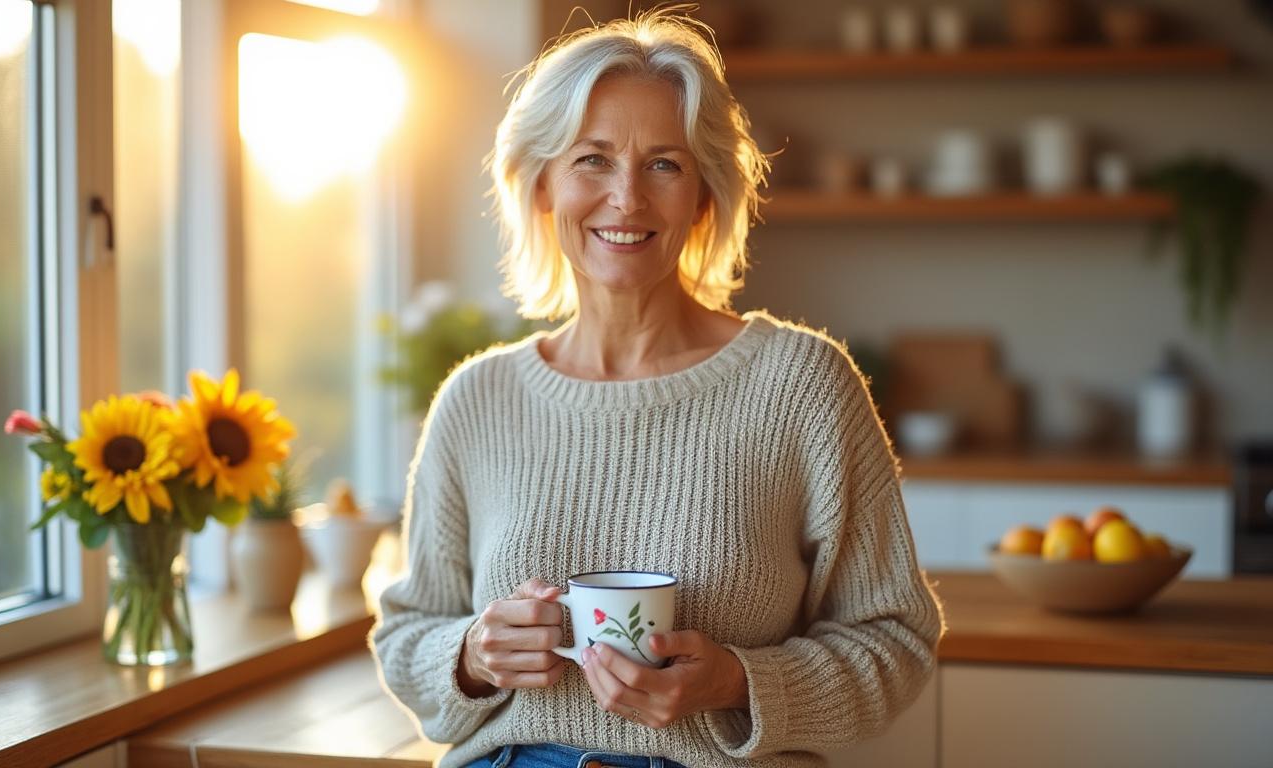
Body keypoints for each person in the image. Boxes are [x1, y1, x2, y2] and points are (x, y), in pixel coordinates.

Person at [370, 9, 942, 768]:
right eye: (593, 160)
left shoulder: (802, 386)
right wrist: (473, 653)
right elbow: (408, 633)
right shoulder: (477, 400)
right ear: (542, 184)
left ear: (705, 195)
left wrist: (739, 682)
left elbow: (896, 640)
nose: (628, 199)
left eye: (664, 164)